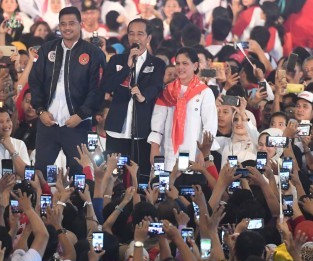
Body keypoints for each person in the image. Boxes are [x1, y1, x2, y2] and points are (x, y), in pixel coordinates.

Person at [29, 6, 106, 177]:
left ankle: (79, 204)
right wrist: (40, 111)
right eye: (63, 24)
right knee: (41, 173)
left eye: (71, 23)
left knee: (79, 176)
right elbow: (35, 83)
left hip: (77, 124)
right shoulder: (47, 49)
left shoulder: (93, 53)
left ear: (81, 24)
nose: (67, 28)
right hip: (48, 123)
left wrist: (80, 115)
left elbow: (98, 89)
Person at [101, 18, 165, 176]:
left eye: (140, 34)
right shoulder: (117, 60)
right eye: (131, 34)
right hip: (116, 130)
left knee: (140, 174)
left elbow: (156, 86)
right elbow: (107, 86)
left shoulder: (157, 63)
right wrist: (126, 67)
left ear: (148, 38)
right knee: (114, 175)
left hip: (142, 130)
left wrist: (143, 97)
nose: (135, 38)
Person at [148, 47, 218, 171]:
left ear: (195, 66)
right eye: (178, 63)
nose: (180, 67)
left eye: (185, 63)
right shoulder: (167, 91)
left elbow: (210, 125)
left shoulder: (205, 92)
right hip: (168, 151)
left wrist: (204, 152)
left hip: (193, 152)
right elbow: (158, 122)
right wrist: (154, 147)